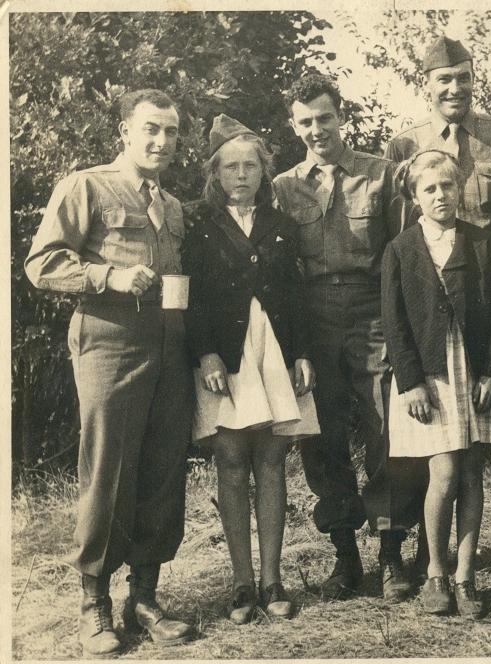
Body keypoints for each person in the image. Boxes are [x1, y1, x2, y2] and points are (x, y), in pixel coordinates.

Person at [24, 89, 195, 656]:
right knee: (108, 469)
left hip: (169, 342)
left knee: (163, 467)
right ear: (124, 131)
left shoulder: (171, 205)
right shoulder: (86, 185)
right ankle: (92, 602)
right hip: (110, 340)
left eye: (170, 132)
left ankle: (143, 597)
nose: (161, 141)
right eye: (150, 129)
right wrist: (108, 277)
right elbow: (41, 263)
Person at [385, 35, 491, 576]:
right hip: (431, 299)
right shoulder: (403, 143)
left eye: (463, 77)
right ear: (427, 85)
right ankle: (420, 550)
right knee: (432, 438)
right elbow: (401, 234)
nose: (454, 88)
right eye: (443, 80)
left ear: (472, 79)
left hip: (489, 292)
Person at [273, 73, 415, 603]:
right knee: (321, 434)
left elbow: (402, 254)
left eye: (325, 118)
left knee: (385, 426)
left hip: (370, 308)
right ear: (294, 126)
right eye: (305, 122)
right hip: (311, 314)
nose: (316, 130)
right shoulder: (283, 187)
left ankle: (392, 551)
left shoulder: (381, 176)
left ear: (341, 116)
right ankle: (344, 554)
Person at [183, 115, 320, 623]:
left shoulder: (281, 226)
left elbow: (297, 297)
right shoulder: (198, 222)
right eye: (231, 167)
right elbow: (188, 296)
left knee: (271, 461)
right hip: (224, 357)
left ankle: (273, 580)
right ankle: (242, 583)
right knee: (232, 462)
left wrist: (302, 352)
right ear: (215, 174)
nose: (241, 175)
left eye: (251, 166)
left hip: (273, 354)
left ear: (265, 172)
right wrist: (206, 354)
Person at [382, 150, 491, 618]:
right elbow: (395, 324)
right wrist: (410, 383)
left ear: (460, 189)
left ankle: (465, 575)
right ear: (415, 197)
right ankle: (436, 570)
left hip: (475, 372)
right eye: (430, 189)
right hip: (431, 376)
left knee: (473, 472)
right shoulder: (400, 249)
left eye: (448, 186)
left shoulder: (482, 243)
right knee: (444, 473)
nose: (441, 196)